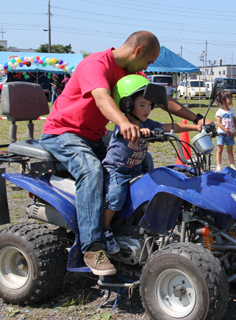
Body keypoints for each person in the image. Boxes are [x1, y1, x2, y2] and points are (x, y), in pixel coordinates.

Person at [40, 31, 210, 276]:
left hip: (95, 134)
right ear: (138, 51)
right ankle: (92, 246)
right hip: (64, 132)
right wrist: (123, 121)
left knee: (145, 159)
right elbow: (101, 97)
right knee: (91, 170)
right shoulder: (95, 64)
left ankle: (131, 225)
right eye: (148, 62)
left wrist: (197, 119)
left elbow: (162, 99)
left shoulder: (133, 73)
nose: (148, 67)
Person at [102, 74, 201, 254]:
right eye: (142, 105)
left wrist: (195, 126)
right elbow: (130, 132)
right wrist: (141, 131)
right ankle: (105, 229)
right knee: (115, 196)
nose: (147, 109)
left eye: (149, 104)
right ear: (127, 105)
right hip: (117, 171)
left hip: (136, 169)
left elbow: (170, 127)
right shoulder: (122, 124)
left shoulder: (147, 122)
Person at [215, 91, 236, 171]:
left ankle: (232, 164)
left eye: (231, 98)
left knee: (230, 150)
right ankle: (218, 165)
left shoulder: (232, 111)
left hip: (230, 135)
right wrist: (226, 130)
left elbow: (235, 122)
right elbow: (218, 123)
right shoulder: (219, 111)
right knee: (220, 150)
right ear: (222, 99)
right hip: (222, 134)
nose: (231, 100)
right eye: (229, 98)